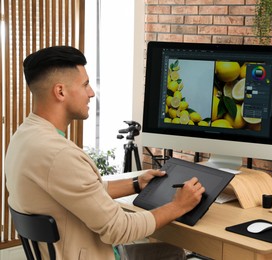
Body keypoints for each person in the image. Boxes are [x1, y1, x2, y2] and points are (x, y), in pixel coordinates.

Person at [5, 46, 205, 260]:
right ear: (60, 91)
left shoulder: (24, 137)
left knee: (169, 251)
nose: (91, 92)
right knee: (174, 253)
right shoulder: (58, 155)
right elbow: (119, 229)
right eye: (85, 85)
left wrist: (137, 183)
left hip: (66, 251)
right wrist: (178, 205)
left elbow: (85, 192)